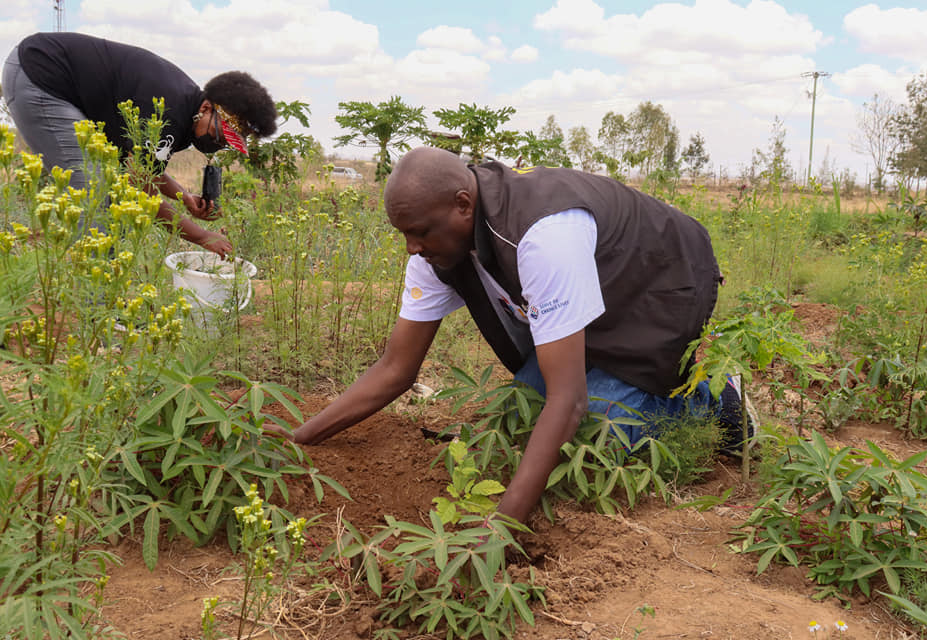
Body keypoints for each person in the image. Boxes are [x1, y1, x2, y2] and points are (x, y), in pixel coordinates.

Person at [287, 146, 753, 524]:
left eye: (419, 232)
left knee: (595, 437)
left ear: (462, 205)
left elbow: (569, 402)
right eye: (404, 234)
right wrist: (301, 437)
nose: (412, 246)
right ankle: (634, 379)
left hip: (659, 286)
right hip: (595, 302)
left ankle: (709, 394)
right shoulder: (434, 249)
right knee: (522, 412)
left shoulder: (541, 234)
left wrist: (503, 526)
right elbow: (395, 368)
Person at [2, 32, 278, 257]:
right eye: (223, 133)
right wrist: (201, 236)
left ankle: (100, 295)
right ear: (207, 108)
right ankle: (96, 314)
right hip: (41, 75)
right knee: (96, 191)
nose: (220, 144)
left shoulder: (185, 114)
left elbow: (143, 168)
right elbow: (136, 190)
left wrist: (184, 197)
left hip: (47, 76)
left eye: (230, 142)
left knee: (110, 197)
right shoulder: (169, 111)